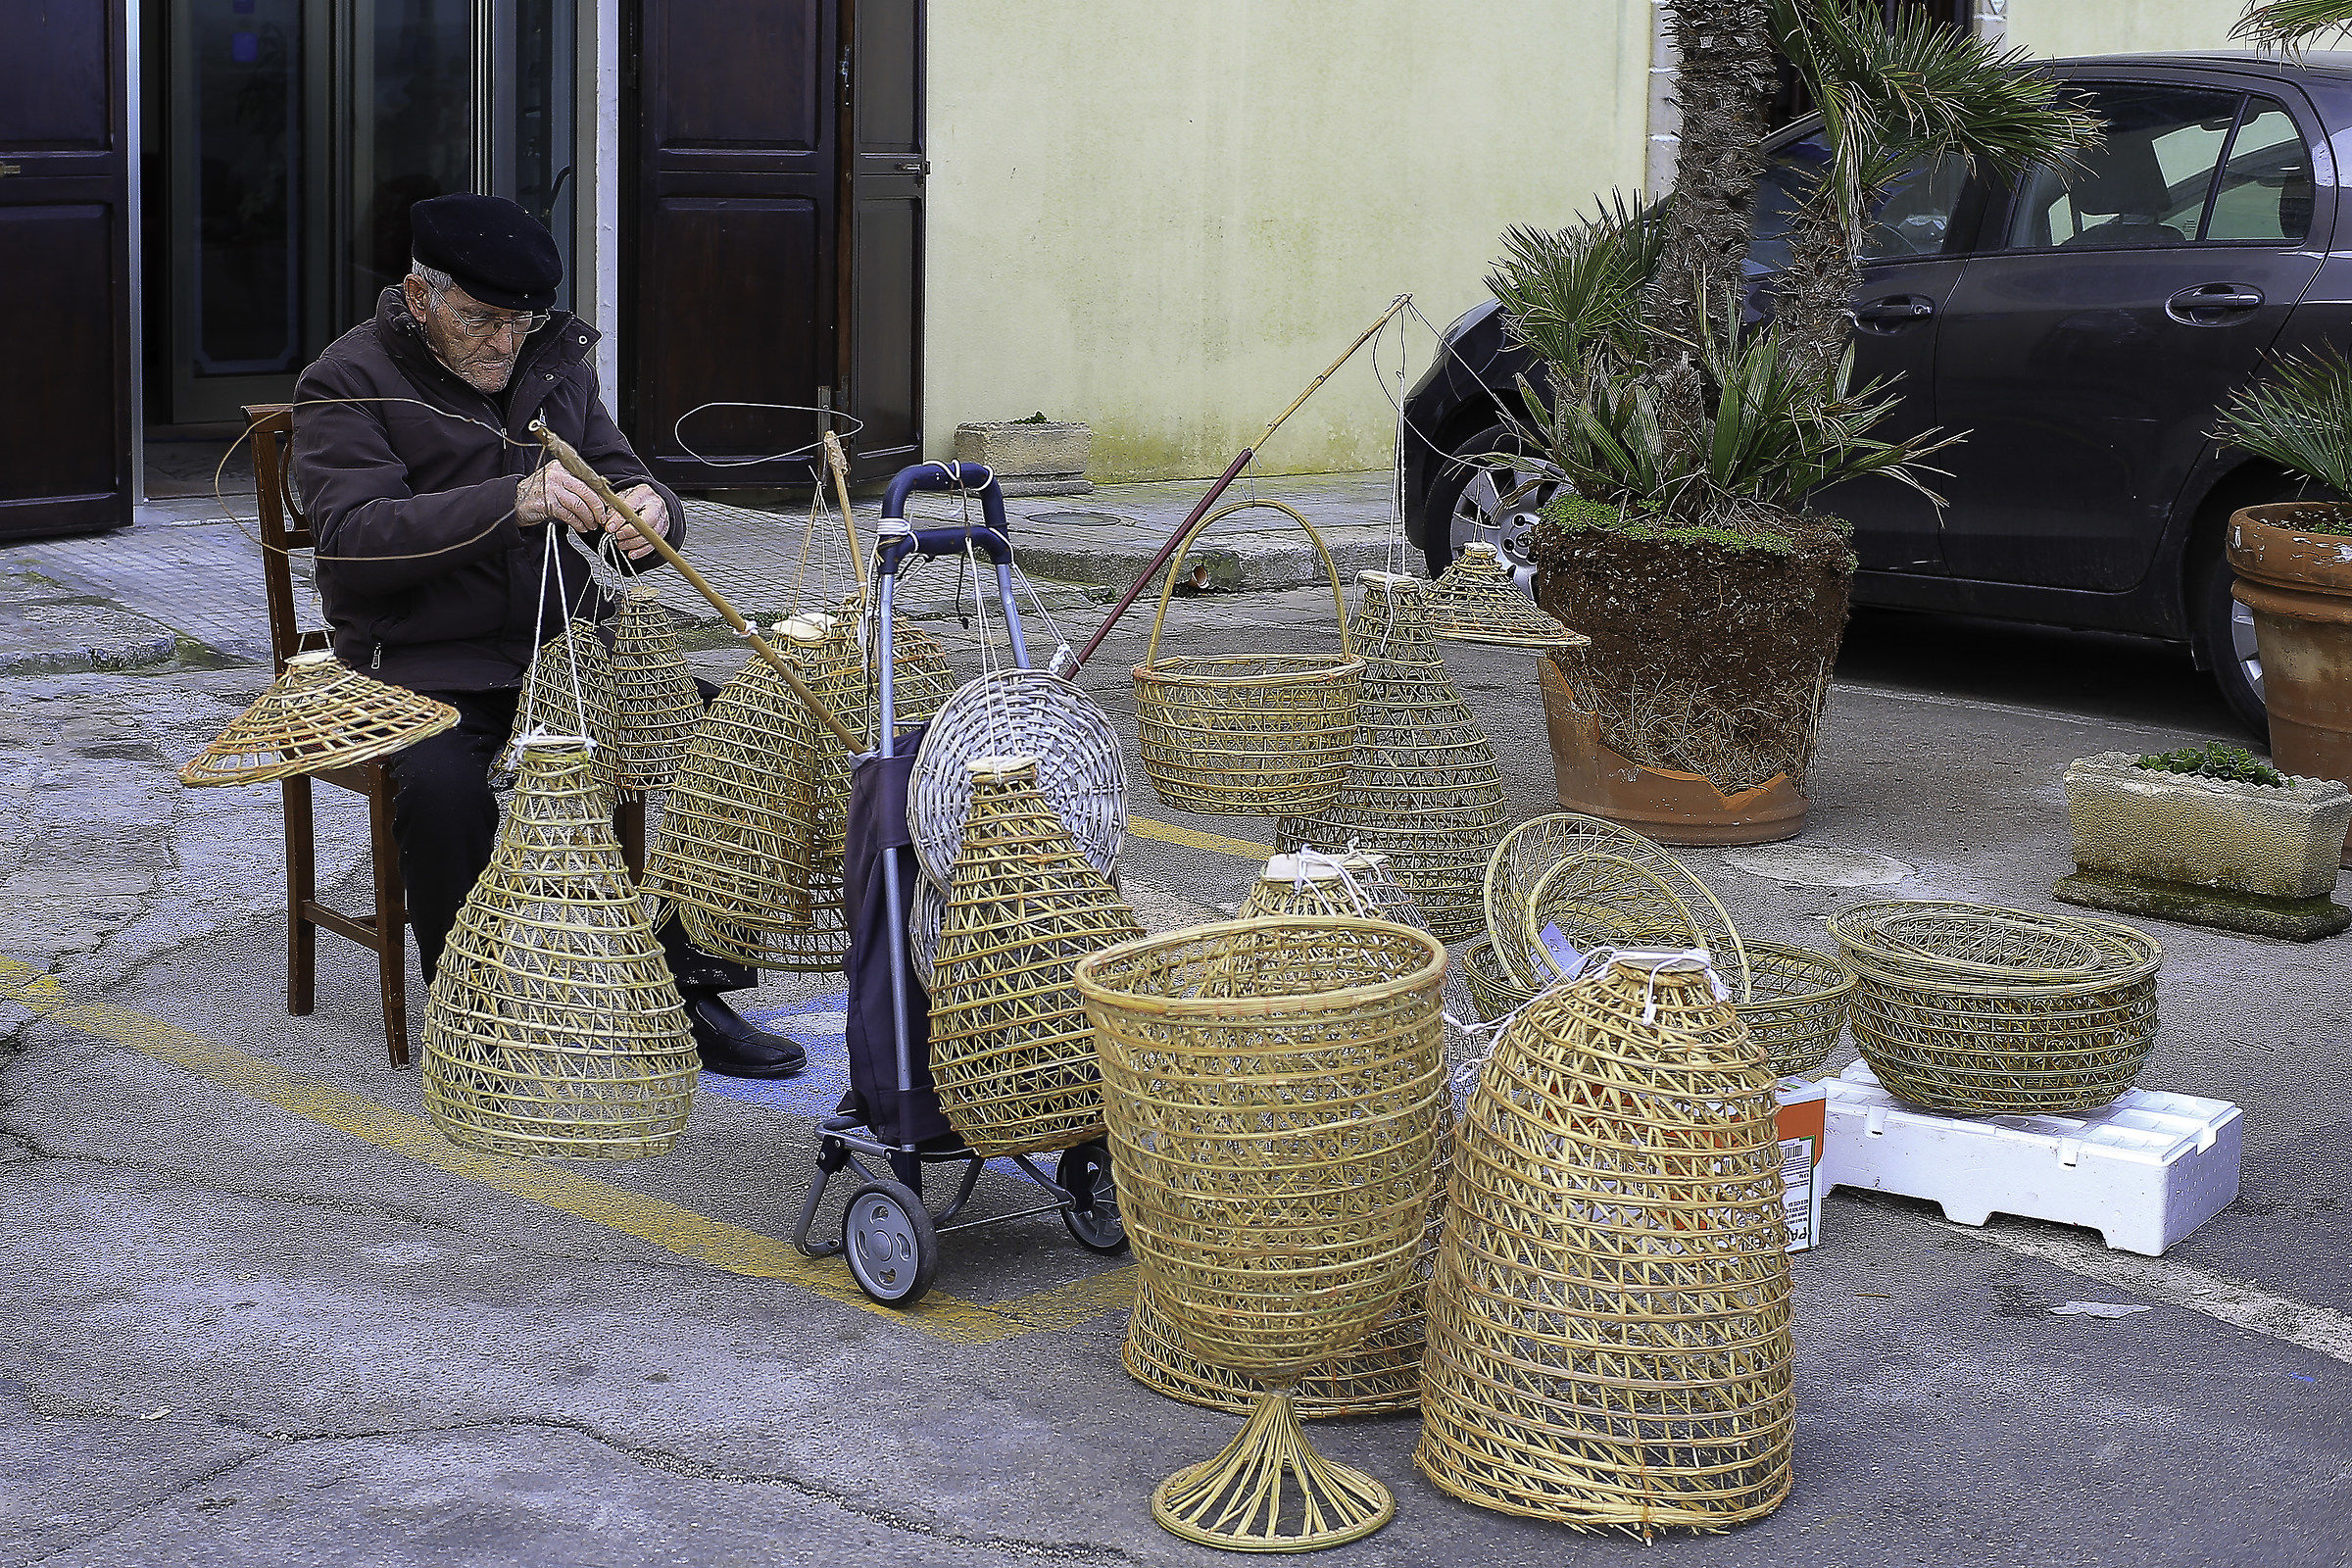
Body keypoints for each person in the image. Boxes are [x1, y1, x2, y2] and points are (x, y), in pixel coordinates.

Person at [290, 192, 805, 1079]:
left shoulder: (554, 365)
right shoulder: (350, 379)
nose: (504, 343)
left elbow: (620, 472)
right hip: (424, 666)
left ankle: (689, 987)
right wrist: (512, 502)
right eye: (481, 321)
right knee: (445, 783)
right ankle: (476, 1016)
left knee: (743, 742)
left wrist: (653, 515)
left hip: (569, 656)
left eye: (519, 323)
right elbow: (355, 538)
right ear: (421, 299)